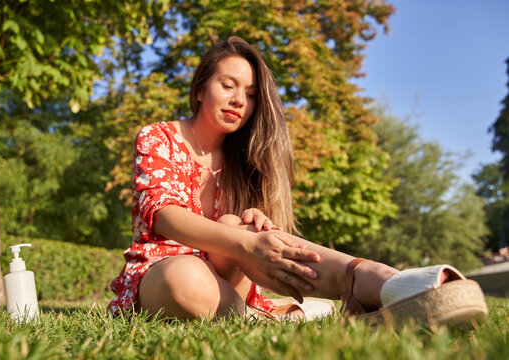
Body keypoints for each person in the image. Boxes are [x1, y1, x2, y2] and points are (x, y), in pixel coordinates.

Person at [108, 36, 487, 325]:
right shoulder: (159, 136)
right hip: (162, 272)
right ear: (199, 89)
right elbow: (164, 215)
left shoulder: (245, 159)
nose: (239, 99)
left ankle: (370, 278)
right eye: (228, 85)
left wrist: (251, 225)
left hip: (227, 277)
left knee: (234, 223)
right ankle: (269, 317)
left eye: (251, 94)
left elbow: (250, 250)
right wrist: (244, 241)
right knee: (187, 277)